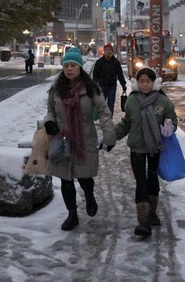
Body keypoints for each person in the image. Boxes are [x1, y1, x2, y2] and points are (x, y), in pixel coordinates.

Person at [43, 48, 117, 231]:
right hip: (62, 140)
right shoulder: (56, 90)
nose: (69, 69)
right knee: (65, 180)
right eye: (66, 65)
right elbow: (50, 111)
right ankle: (72, 215)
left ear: (80, 68)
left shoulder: (91, 89)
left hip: (85, 139)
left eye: (73, 66)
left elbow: (104, 112)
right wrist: (50, 123)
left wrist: (109, 135)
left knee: (84, 177)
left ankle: (89, 196)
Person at [114, 67, 177, 237]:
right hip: (136, 149)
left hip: (155, 149)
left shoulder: (163, 102)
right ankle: (143, 221)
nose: (145, 84)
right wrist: (111, 137)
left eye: (148, 81)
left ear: (154, 82)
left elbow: (172, 119)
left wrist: (169, 129)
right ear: (136, 83)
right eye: (141, 81)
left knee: (152, 181)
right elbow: (125, 124)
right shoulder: (132, 101)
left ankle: (152, 212)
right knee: (141, 183)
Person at [92, 43, 127, 114]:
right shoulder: (99, 62)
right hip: (102, 85)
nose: (108, 51)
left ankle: (109, 118)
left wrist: (123, 84)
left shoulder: (116, 62)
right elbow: (95, 75)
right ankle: (103, 117)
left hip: (112, 86)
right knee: (102, 103)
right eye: (107, 50)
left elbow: (120, 74)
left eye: (110, 50)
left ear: (112, 51)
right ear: (104, 51)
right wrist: (94, 85)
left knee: (111, 103)